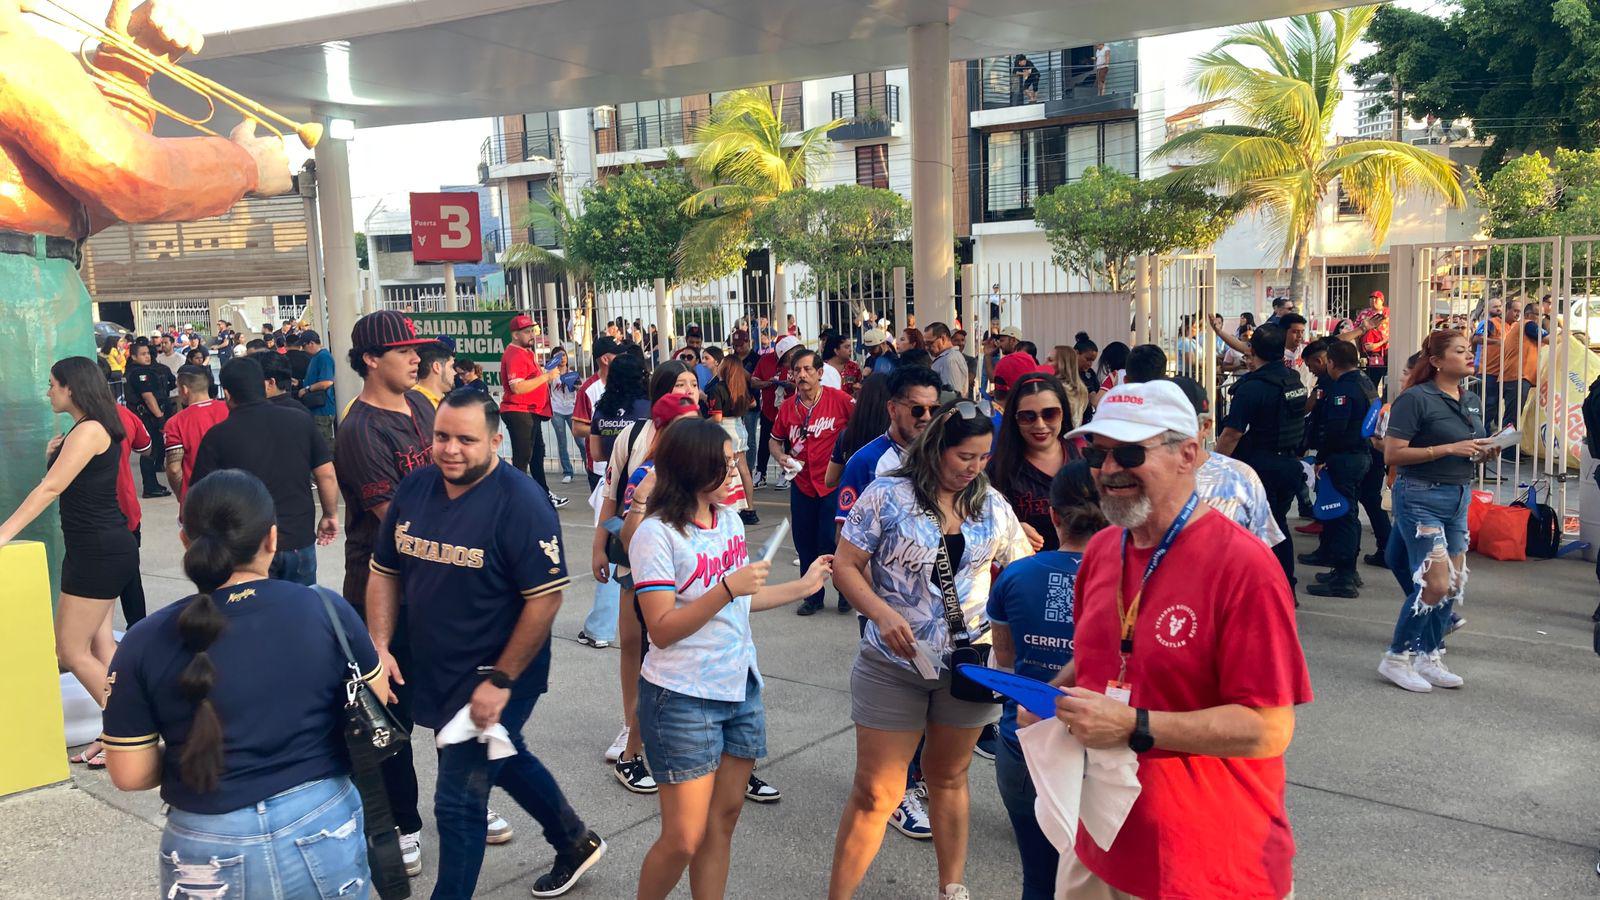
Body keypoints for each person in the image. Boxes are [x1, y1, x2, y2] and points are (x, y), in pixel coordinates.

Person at [1048, 379, 1312, 899]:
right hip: (1099, 841)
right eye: (1097, 454)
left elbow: (1268, 729)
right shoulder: (1102, 549)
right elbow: (1100, 658)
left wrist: (1133, 724)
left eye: (1128, 452)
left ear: (1188, 454)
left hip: (1206, 862)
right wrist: (1051, 695)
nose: (1108, 470)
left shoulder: (1243, 567)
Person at [367, 391, 606, 898]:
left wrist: (500, 681)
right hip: (435, 664)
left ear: (497, 440)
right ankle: (574, 841)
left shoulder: (521, 502)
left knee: (457, 799)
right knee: (505, 754)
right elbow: (384, 571)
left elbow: (544, 601)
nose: (451, 449)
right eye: (442, 436)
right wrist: (380, 646)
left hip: (501, 671)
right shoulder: (414, 488)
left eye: (466, 440)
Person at [98, 469, 374, 897]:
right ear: (272, 539)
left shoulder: (143, 641)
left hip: (204, 843)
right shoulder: (325, 610)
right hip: (321, 822)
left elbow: (130, 773)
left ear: (186, 542)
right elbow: (373, 698)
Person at [828, 401, 1033, 900]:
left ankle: (952, 887)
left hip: (969, 665)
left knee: (949, 777)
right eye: (965, 456)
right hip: (893, 662)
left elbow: (1018, 572)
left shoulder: (991, 504)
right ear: (937, 447)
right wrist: (880, 612)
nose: (975, 467)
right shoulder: (887, 494)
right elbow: (846, 565)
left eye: (984, 457)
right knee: (877, 792)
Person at [628, 417, 833, 900]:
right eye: (723, 464)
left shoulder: (730, 522)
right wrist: (725, 589)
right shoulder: (654, 535)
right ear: (690, 466)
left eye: (734, 462)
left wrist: (802, 587)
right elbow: (661, 630)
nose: (736, 472)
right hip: (680, 697)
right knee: (683, 837)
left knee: (722, 821)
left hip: (740, 687)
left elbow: (740, 600)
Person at [333, 310, 442, 870]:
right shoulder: (359, 431)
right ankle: (404, 824)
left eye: (415, 350)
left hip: (437, 586)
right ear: (372, 359)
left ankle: (461, 804)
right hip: (381, 593)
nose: (415, 358)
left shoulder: (422, 406)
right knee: (390, 718)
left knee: (454, 704)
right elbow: (395, 519)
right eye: (403, 351)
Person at [0, 357, 140, 767]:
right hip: (98, 547)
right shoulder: (87, 430)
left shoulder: (91, 430)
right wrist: (52, 455)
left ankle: (130, 730)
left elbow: (52, 488)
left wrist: (5, 532)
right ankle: (120, 727)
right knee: (100, 644)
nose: (48, 393)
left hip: (98, 551)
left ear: (71, 388)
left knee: (69, 649)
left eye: (52, 385)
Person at [987, 461, 1106, 900]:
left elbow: (1006, 659)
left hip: (1028, 741)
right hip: (1102, 743)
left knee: (1039, 878)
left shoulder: (1017, 575)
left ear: (1052, 515)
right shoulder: (1129, 581)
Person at [1377, 331, 1492, 693]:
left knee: (1454, 584)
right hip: (1421, 495)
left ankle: (1431, 655)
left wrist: (1487, 449)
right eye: (1460, 351)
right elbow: (1392, 454)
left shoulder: (1470, 399)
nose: (1469, 356)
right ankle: (1397, 657)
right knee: (1434, 582)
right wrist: (1446, 449)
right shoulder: (1415, 398)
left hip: (1458, 496)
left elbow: (1471, 443)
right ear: (1437, 361)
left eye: (1469, 350)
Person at [189, 357, 339, 587]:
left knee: (257, 616)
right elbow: (326, 473)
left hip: (247, 550)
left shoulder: (218, 437)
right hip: (298, 540)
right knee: (302, 611)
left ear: (227, 393)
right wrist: (330, 515)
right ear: (263, 385)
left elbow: (201, 496)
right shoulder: (300, 420)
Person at [1214, 325, 1309, 590]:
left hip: (1261, 466)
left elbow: (1232, 433)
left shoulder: (1253, 388)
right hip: (1289, 464)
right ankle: (1284, 584)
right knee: (1277, 525)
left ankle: (1273, 587)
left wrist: (1215, 466)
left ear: (1252, 351)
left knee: (1261, 529)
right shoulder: (1293, 379)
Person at [770, 349, 854, 616]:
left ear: (820, 373)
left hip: (833, 484)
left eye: (808, 369)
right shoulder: (787, 407)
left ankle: (845, 592)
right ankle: (812, 595)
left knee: (832, 541)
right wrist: (780, 455)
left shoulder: (840, 400)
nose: (802, 375)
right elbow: (774, 439)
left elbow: (861, 429)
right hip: (802, 483)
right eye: (797, 370)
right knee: (804, 542)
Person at [581, 351, 652, 650]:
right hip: (644, 488)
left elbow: (596, 453)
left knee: (611, 552)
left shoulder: (603, 407)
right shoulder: (648, 408)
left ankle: (601, 628)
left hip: (609, 485)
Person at [1304, 340, 1377, 599]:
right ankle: (1343, 569)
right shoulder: (1366, 383)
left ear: (1332, 363)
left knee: (1343, 516)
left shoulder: (1342, 390)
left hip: (1344, 458)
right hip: (1361, 455)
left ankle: (1344, 577)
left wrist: (1321, 457)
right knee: (1347, 513)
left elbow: (1336, 430)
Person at [989, 372, 1080, 553]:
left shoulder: (1085, 456)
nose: (1039, 425)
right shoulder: (998, 468)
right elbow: (979, 523)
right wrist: (1010, 530)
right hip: (1026, 571)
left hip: (1082, 570)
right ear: (1014, 420)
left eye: (1050, 414)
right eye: (1027, 417)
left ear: (1063, 413)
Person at [500, 313, 568, 509]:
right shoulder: (514, 354)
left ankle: (542, 494)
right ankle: (515, 501)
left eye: (532, 330)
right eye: (527, 331)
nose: (532, 334)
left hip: (529, 411)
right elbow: (517, 387)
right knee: (523, 457)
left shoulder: (525, 352)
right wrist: (546, 377)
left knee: (536, 454)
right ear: (515, 335)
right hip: (519, 410)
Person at [707, 352, 760, 525]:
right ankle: (750, 509)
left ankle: (731, 506)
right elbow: (753, 404)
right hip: (740, 428)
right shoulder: (741, 386)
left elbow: (716, 418)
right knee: (743, 470)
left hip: (725, 431)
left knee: (726, 470)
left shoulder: (718, 388)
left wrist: (700, 422)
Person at [162, 372, 229, 502]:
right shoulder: (230, 410)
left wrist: (181, 496)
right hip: (233, 492)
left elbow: (174, 469)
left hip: (196, 497)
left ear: (185, 389)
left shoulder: (176, 422)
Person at [572, 336, 626, 490]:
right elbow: (577, 428)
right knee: (604, 514)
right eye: (617, 354)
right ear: (605, 359)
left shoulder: (628, 384)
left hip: (627, 461)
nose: (622, 358)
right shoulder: (589, 389)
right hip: (601, 468)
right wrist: (608, 430)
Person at [752, 335, 802, 488]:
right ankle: (761, 472)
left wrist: (789, 385)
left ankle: (787, 473)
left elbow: (804, 386)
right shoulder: (765, 360)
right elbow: (754, 381)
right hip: (769, 410)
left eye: (785, 359)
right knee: (767, 442)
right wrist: (769, 383)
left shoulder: (803, 364)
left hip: (792, 411)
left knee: (791, 442)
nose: (784, 364)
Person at [123, 341, 172, 498]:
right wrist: (160, 417)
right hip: (147, 417)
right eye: (143, 354)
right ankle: (150, 487)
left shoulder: (145, 371)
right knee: (150, 452)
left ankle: (153, 484)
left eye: (148, 353)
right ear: (134, 356)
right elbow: (148, 397)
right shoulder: (139, 373)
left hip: (149, 416)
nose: (147, 357)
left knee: (156, 450)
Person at [296, 330, 337, 448]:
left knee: (324, 445)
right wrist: (300, 383)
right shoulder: (316, 357)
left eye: (303, 346)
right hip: (316, 408)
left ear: (311, 343)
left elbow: (327, 382)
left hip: (323, 409)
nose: (303, 349)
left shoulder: (324, 357)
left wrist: (307, 389)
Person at [551, 348, 579, 484]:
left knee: (580, 441)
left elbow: (580, 388)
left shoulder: (573, 373)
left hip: (572, 409)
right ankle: (567, 471)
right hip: (557, 410)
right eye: (558, 356)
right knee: (562, 441)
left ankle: (589, 467)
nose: (562, 358)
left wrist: (577, 386)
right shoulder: (551, 375)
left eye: (564, 355)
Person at [1357, 290, 1390, 390]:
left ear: (1382, 300)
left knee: (1386, 383)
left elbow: (1392, 334)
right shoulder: (1364, 313)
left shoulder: (1389, 313)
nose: (1373, 300)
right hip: (1367, 354)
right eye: (1371, 298)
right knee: (1370, 382)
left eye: (1376, 298)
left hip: (1385, 353)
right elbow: (1356, 330)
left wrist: (1378, 344)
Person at [926, 323, 969, 398]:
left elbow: (952, 396)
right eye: (925, 343)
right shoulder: (947, 357)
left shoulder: (949, 359)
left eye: (930, 343)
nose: (927, 347)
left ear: (943, 338)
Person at [408, 340, 455, 408]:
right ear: (437, 367)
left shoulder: (441, 400)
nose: (455, 372)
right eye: (451, 367)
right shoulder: (417, 405)